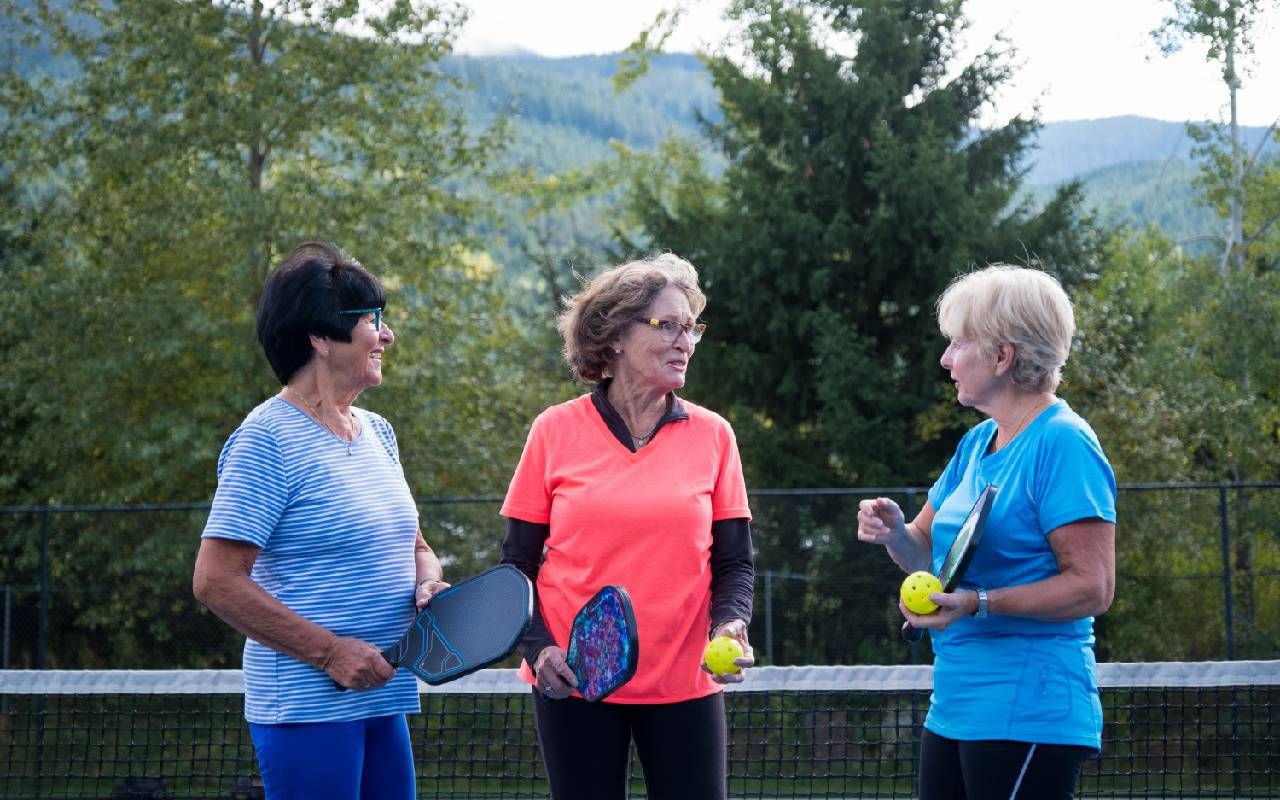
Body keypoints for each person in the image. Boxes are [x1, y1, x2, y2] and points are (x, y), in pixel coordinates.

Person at [192, 241, 449, 800]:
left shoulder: (378, 432)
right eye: (371, 321)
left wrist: (427, 580)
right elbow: (215, 580)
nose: (387, 336)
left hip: (384, 695)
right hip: (307, 708)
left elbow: (416, 543)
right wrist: (330, 652)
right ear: (320, 338)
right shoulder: (266, 440)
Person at [499, 253, 756, 800]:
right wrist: (540, 649)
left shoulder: (714, 436)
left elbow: (734, 562)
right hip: (574, 680)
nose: (684, 340)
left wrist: (730, 625)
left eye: (691, 328)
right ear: (613, 337)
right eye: (667, 325)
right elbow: (515, 567)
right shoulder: (553, 431)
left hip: (687, 682)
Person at [857, 265, 1116, 800]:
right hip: (954, 706)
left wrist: (980, 602)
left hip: (1030, 709)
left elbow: (1093, 587)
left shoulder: (1065, 443)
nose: (946, 359)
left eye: (959, 344)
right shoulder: (977, 442)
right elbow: (926, 551)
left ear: (1003, 356)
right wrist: (895, 533)